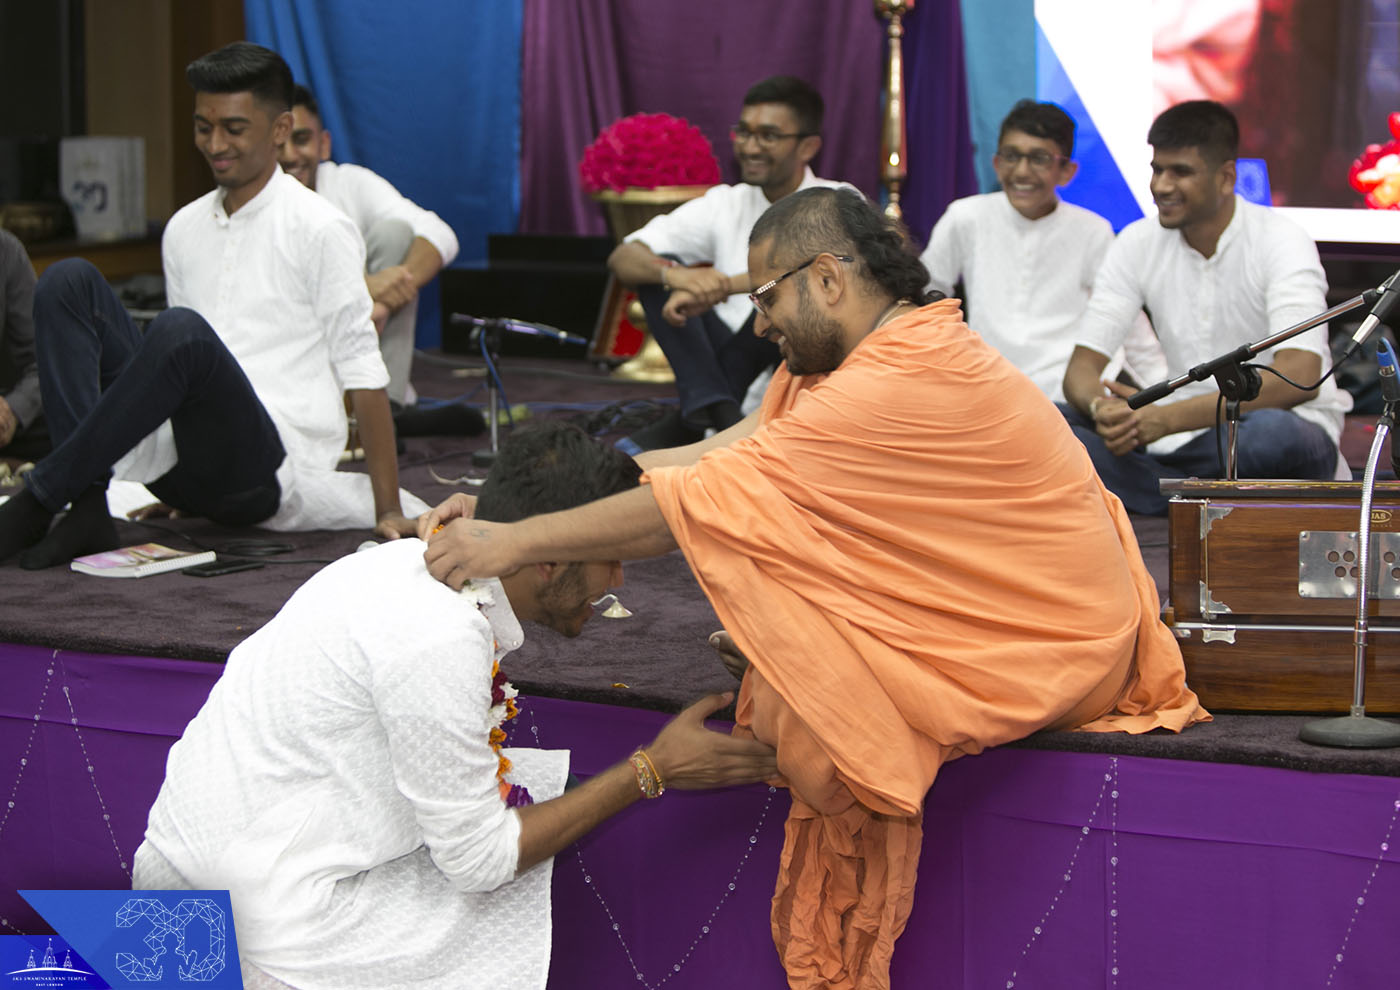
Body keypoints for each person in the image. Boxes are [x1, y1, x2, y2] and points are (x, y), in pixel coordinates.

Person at [419, 187, 1207, 990]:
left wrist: (514, 540)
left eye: (766, 296)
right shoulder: (863, 358)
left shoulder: (895, 380)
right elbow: (719, 452)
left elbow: (686, 508)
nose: (758, 322)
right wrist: (511, 502)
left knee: (787, 631)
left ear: (828, 279)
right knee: (772, 556)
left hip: (1055, 645)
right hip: (1008, 612)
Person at [133, 421, 777, 990]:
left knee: (530, 782)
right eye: (612, 558)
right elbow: (480, 862)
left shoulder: (401, 564)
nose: (619, 581)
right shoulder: (439, 637)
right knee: (500, 892)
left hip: (196, 865)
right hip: (250, 926)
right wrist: (652, 769)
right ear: (548, 559)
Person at [0, 42, 418, 570]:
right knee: (67, 281)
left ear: (280, 129)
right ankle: (85, 509)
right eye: (203, 127)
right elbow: (170, 384)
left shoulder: (322, 227)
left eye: (234, 129)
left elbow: (362, 368)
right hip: (188, 467)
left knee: (180, 334)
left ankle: (38, 496)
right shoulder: (183, 228)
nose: (214, 144)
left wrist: (389, 508)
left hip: (266, 472)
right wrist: (180, 491)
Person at [1060, 99, 1351, 515]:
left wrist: (1166, 419)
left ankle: (1147, 487)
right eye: (1157, 169)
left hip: (1278, 430)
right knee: (1056, 418)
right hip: (1173, 438)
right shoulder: (1136, 243)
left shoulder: (1281, 239)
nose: (1161, 185)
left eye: (1181, 172)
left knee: (1272, 435)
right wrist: (1102, 410)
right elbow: (1081, 369)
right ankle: (1176, 489)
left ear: (1226, 176)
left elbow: (1298, 376)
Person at [608, 75, 853, 452]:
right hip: (725, 372)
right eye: (744, 132)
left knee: (785, 297)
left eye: (768, 136)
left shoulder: (835, 198)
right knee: (660, 276)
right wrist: (677, 275)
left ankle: (697, 421)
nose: (751, 147)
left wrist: (718, 285)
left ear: (808, 146)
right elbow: (624, 258)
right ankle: (718, 414)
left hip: (792, 365)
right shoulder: (725, 201)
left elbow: (815, 269)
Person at [920, 99, 1163, 402]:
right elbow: (926, 294)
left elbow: (1125, 321)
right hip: (985, 384)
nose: (1021, 172)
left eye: (1039, 159)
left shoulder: (1092, 230)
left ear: (1066, 171)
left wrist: (1164, 396)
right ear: (996, 163)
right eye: (1011, 156)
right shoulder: (965, 217)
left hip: (1069, 393)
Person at [279, 83, 465, 415]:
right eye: (280, 144)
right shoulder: (258, 203)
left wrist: (381, 301)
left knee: (396, 234)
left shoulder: (348, 183)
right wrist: (364, 287)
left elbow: (440, 234)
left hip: (363, 349)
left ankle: (387, 407)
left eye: (302, 139)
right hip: (294, 370)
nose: (290, 155)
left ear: (324, 145)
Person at [0, 230, 45, 459]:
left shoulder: (6, 251)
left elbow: (41, 362)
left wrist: (12, 410)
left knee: (75, 425)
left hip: (7, 421)